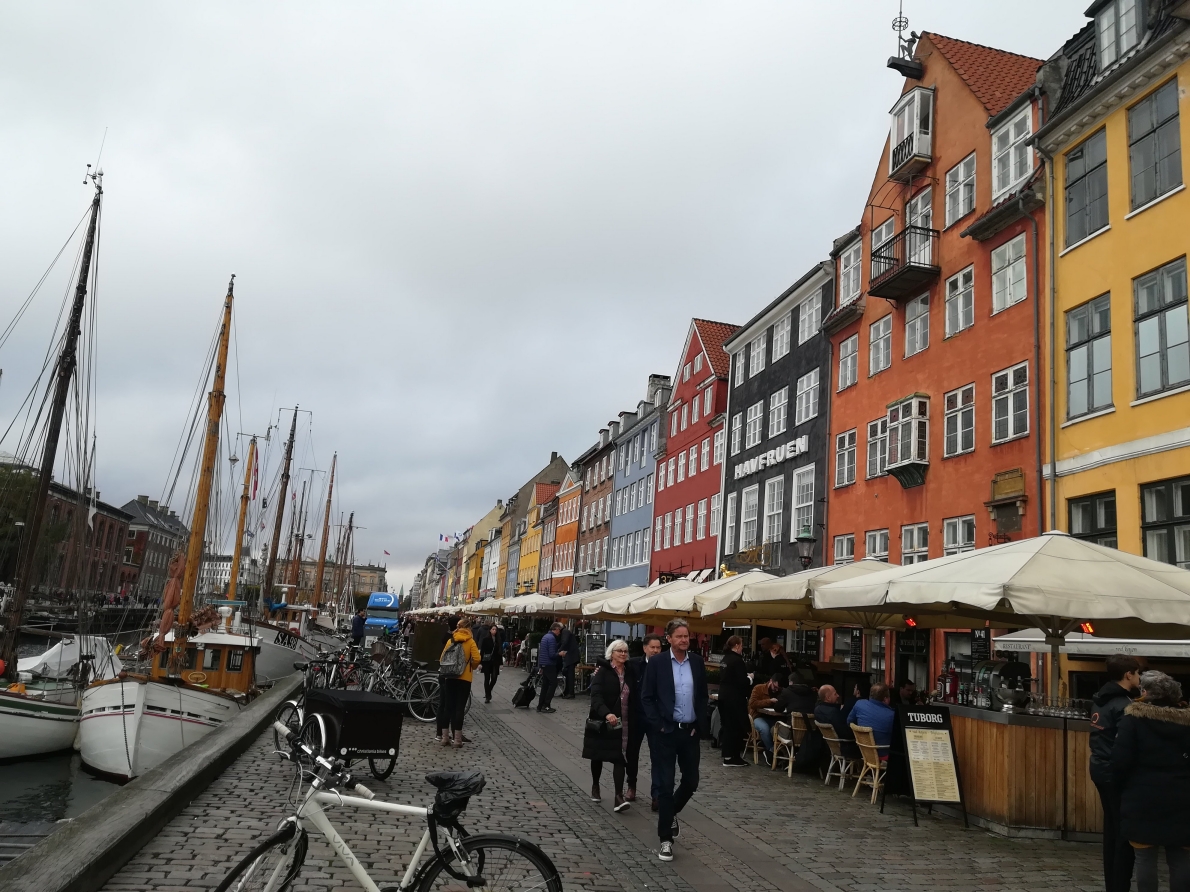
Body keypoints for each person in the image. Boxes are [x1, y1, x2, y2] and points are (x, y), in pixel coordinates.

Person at [1112, 670, 1190, 892]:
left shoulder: (1134, 719)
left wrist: (1119, 789)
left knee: (1144, 859)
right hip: (1182, 796)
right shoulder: (1187, 722)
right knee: (1180, 860)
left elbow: (1120, 760)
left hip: (1142, 796)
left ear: (1145, 692)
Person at [642, 619, 708, 863]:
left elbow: (702, 696)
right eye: (679, 636)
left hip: (689, 732)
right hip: (666, 732)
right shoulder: (658, 663)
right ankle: (665, 840)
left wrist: (700, 724)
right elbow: (646, 696)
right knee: (666, 785)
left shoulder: (697, 663)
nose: (684, 640)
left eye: (686, 636)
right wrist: (658, 724)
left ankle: (670, 814)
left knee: (691, 781)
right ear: (668, 638)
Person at [1091, 654, 1142, 892]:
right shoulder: (1124, 705)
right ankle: (1119, 885)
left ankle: (1112, 883)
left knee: (1111, 830)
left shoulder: (1100, 699)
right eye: (1138, 673)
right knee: (1123, 834)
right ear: (1128, 674)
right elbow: (1125, 745)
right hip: (1114, 771)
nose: (1140, 677)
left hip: (1099, 767)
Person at [584, 639, 637, 811]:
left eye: (625, 651)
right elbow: (596, 696)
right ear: (611, 653)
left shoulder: (630, 671)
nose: (623, 654)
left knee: (619, 757)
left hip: (624, 722)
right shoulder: (603, 672)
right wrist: (606, 713)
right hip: (604, 720)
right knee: (598, 755)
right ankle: (595, 785)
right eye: (619, 651)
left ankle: (618, 797)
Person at [626, 634, 663, 808]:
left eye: (658, 648)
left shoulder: (665, 665)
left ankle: (656, 794)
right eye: (652, 647)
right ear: (645, 648)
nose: (655, 651)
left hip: (655, 718)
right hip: (636, 715)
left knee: (657, 755)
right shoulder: (634, 664)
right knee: (632, 753)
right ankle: (631, 786)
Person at [438, 615, 481, 748]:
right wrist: (470, 667)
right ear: (468, 628)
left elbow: (442, 659)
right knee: (459, 709)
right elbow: (477, 658)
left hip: (450, 677)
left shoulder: (451, 640)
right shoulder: (470, 641)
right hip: (465, 678)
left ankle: (445, 738)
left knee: (448, 707)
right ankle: (457, 740)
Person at [717, 635, 751, 767]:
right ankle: (733, 757)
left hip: (723, 696)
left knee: (727, 726)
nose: (742, 648)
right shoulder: (737, 661)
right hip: (734, 698)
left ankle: (727, 755)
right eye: (741, 645)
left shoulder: (725, 659)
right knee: (735, 727)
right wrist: (750, 678)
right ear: (736, 646)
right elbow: (741, 681)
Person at [814, 684, 860, 760]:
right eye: (835, 694)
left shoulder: (817, 709)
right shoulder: (834, 713)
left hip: (828, 747)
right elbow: (846, 734)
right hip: (845, 748)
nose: (838, 696)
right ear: (828, 698)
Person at [749, 675, 785, 765]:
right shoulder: (759, 688)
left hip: (773, 717)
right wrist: (769, 701)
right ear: (770, 681)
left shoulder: (781, 692)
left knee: (780, 728)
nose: (776, 690)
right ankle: (771, 752)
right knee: (764, 728)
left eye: (778, 688)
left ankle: (775, 752)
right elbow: (752, 704)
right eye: (775, 687)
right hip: (757, 716)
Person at [847, 682, 895, 749]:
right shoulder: (892, 715)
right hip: (884, 753)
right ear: (885, 699)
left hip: (863, 750)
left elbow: (849, 722)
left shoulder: (859, 704)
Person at [536, 622, 562, 713]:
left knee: (545, 685)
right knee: (553, 683)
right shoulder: (551, 639)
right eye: (559, 630)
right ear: (556, 629)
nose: (560, 632)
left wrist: (540, 665)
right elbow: (552, 654)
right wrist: (560, 654)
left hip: (544, 663)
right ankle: (546, 705)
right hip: (549, 664)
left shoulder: (545, 637)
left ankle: (540, 705)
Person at [479, 623, 504, 704]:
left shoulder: (498, 640)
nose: (494, 631)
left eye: (495, 630)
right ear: (489, 630)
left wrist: (501, 663)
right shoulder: (485, 639)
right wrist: (480, 663)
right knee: (487, 678)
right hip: (487, 661)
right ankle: (487, 696)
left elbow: (500, 652)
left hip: (495, 661)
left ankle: (488, 691)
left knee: (494, 678)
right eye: (493, 629)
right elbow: (482, 651)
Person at [558, 624, 580, 698]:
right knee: (568, 674)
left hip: (571, 656)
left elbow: (565, 642)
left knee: (570, 675)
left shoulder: (565, 632)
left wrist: (559, 650)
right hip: (572, 656)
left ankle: (570, 693)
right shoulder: (565, 632)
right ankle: (567, 691)